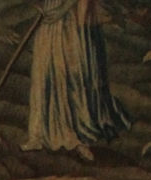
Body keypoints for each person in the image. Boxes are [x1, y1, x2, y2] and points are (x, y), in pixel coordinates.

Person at [22, 0, 130, 159]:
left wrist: (63, 9)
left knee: (74, 74)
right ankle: (39, 134)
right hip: (50, 12)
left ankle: (78, 136)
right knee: (45, 71)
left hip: (74, 14)